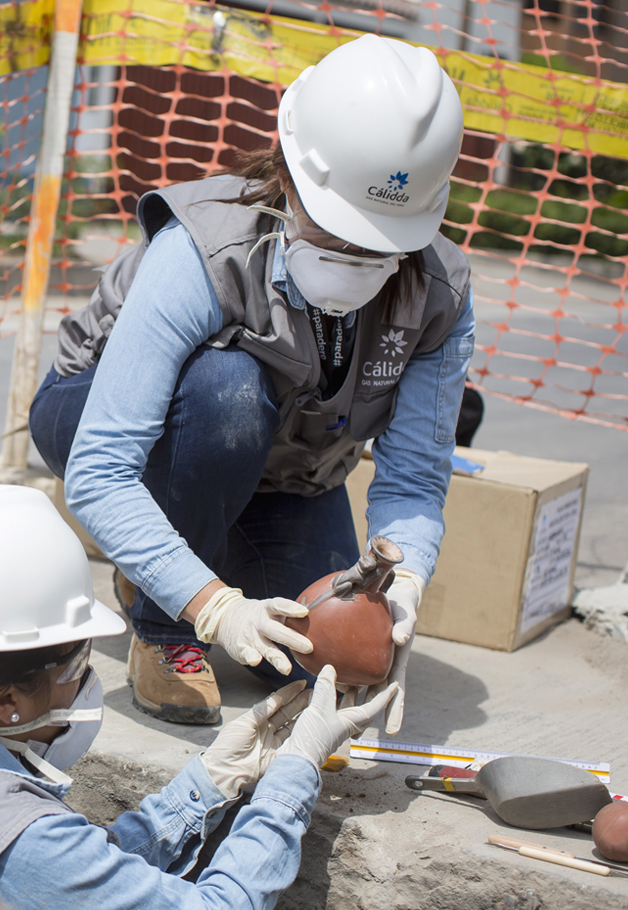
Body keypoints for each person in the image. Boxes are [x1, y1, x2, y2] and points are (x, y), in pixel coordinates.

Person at [29, 34, 474, 728]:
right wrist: (210, 605)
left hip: (285, 464)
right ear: (292, 175)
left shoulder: (439, 292)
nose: (353, 256)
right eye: (334, 230)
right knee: (228, 389)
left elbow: (414, 477)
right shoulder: (207, 249)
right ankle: (162, 624)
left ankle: (164, 552)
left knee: (319, 652)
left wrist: (405, 577)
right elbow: (100, 471)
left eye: (380, 240)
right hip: (108, 415)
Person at [0, 484, 396, 906]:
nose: (88, 681)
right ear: (7, 701)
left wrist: (207, 783)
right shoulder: (17, 836)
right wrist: (293, 774)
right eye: (77, 663)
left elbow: (84, 881)